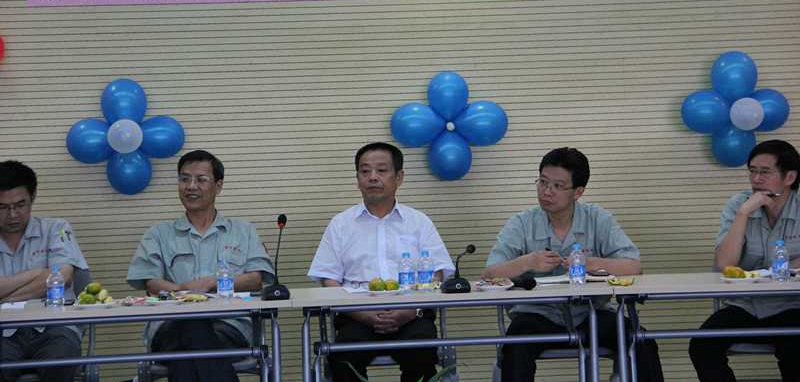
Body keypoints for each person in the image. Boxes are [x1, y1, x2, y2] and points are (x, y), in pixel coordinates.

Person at [483, 147, 664, 382]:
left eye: (558, 186)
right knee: (515, 346)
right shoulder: (521, 223)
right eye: (542, 182)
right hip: (536, 315)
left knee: (640, 340)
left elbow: (633, 266)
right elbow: (489, 274)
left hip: (590, 314)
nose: (547, 191)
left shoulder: (597, 219)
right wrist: (527, 262)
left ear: (578, 192)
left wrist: (592, 263)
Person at [308, 142, 455, 382]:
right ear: (357, 179)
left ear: (399, 177)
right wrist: (361, 314)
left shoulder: (419, 222)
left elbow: (437, 274)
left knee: (422, 355)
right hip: (356, 316)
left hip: (412, 315)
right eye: (365, 171)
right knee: (343, 361)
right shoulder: (341, 224)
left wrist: (409, 311)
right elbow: (329, 278)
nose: (372, 177)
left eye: (382, 170)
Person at [127, 149, 274, 382]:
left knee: (187, 352)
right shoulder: (158, 234)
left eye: (201, 180)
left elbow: (256, 279)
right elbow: (151, 282)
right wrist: (183, 292)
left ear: (218, 186)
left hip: (229, 326)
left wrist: (211, 283)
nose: (191, 186)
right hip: (169, 326)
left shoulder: (243, 231)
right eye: (184, 179)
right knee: (191, 326)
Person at [689, 139, 800, 381]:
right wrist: (743, 214)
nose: (756, 179)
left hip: (792, 305)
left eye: (765, 172)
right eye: (752, 171)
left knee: (796, 350)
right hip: (746, 305)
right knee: (702, 345)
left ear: (789, 177)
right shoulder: (739, 204)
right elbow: (725, 264)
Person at [0, 160, 89, 382]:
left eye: (20, 205)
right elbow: (52, 277)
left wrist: (7, 298)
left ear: (33, 197)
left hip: (54, 326)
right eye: (2, 207)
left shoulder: (57, 229)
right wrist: (36, 273)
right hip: (3, 330)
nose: (13, 215)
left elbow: (62, 276)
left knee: (60, 360)